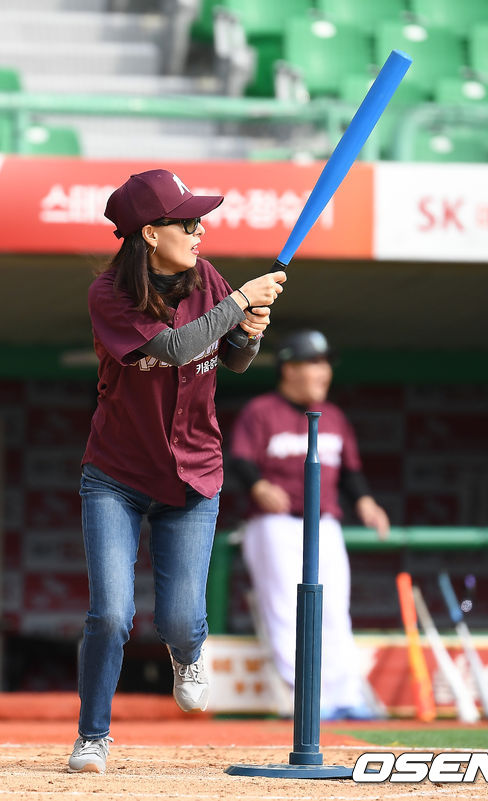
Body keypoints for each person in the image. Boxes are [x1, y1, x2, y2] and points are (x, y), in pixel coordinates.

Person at [68, 169, 286, 773]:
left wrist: (249, 332)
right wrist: (241, 301)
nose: (199, 230)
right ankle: (93, 735)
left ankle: (188, 653)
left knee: (178, 619)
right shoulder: (108, 292)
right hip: (117, 474)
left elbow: (232, 361)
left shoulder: (207, 276)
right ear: (147, 234)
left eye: (197, 219)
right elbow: (172, 349)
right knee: (110, 613)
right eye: (185, 222)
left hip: (194, 474)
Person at [229, 329, 390, 721]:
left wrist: (366, 501)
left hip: (325, 522)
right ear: (290, 368)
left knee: (335, 609)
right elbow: (240, 459)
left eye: (324, 365)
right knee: (287, 611)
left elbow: (350, 471)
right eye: (314, 364)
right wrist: (259, 485)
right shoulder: (261, 411)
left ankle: (345, 695)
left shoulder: (333, 416)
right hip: (275, 524)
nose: (323, 373)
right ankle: (308, 702)